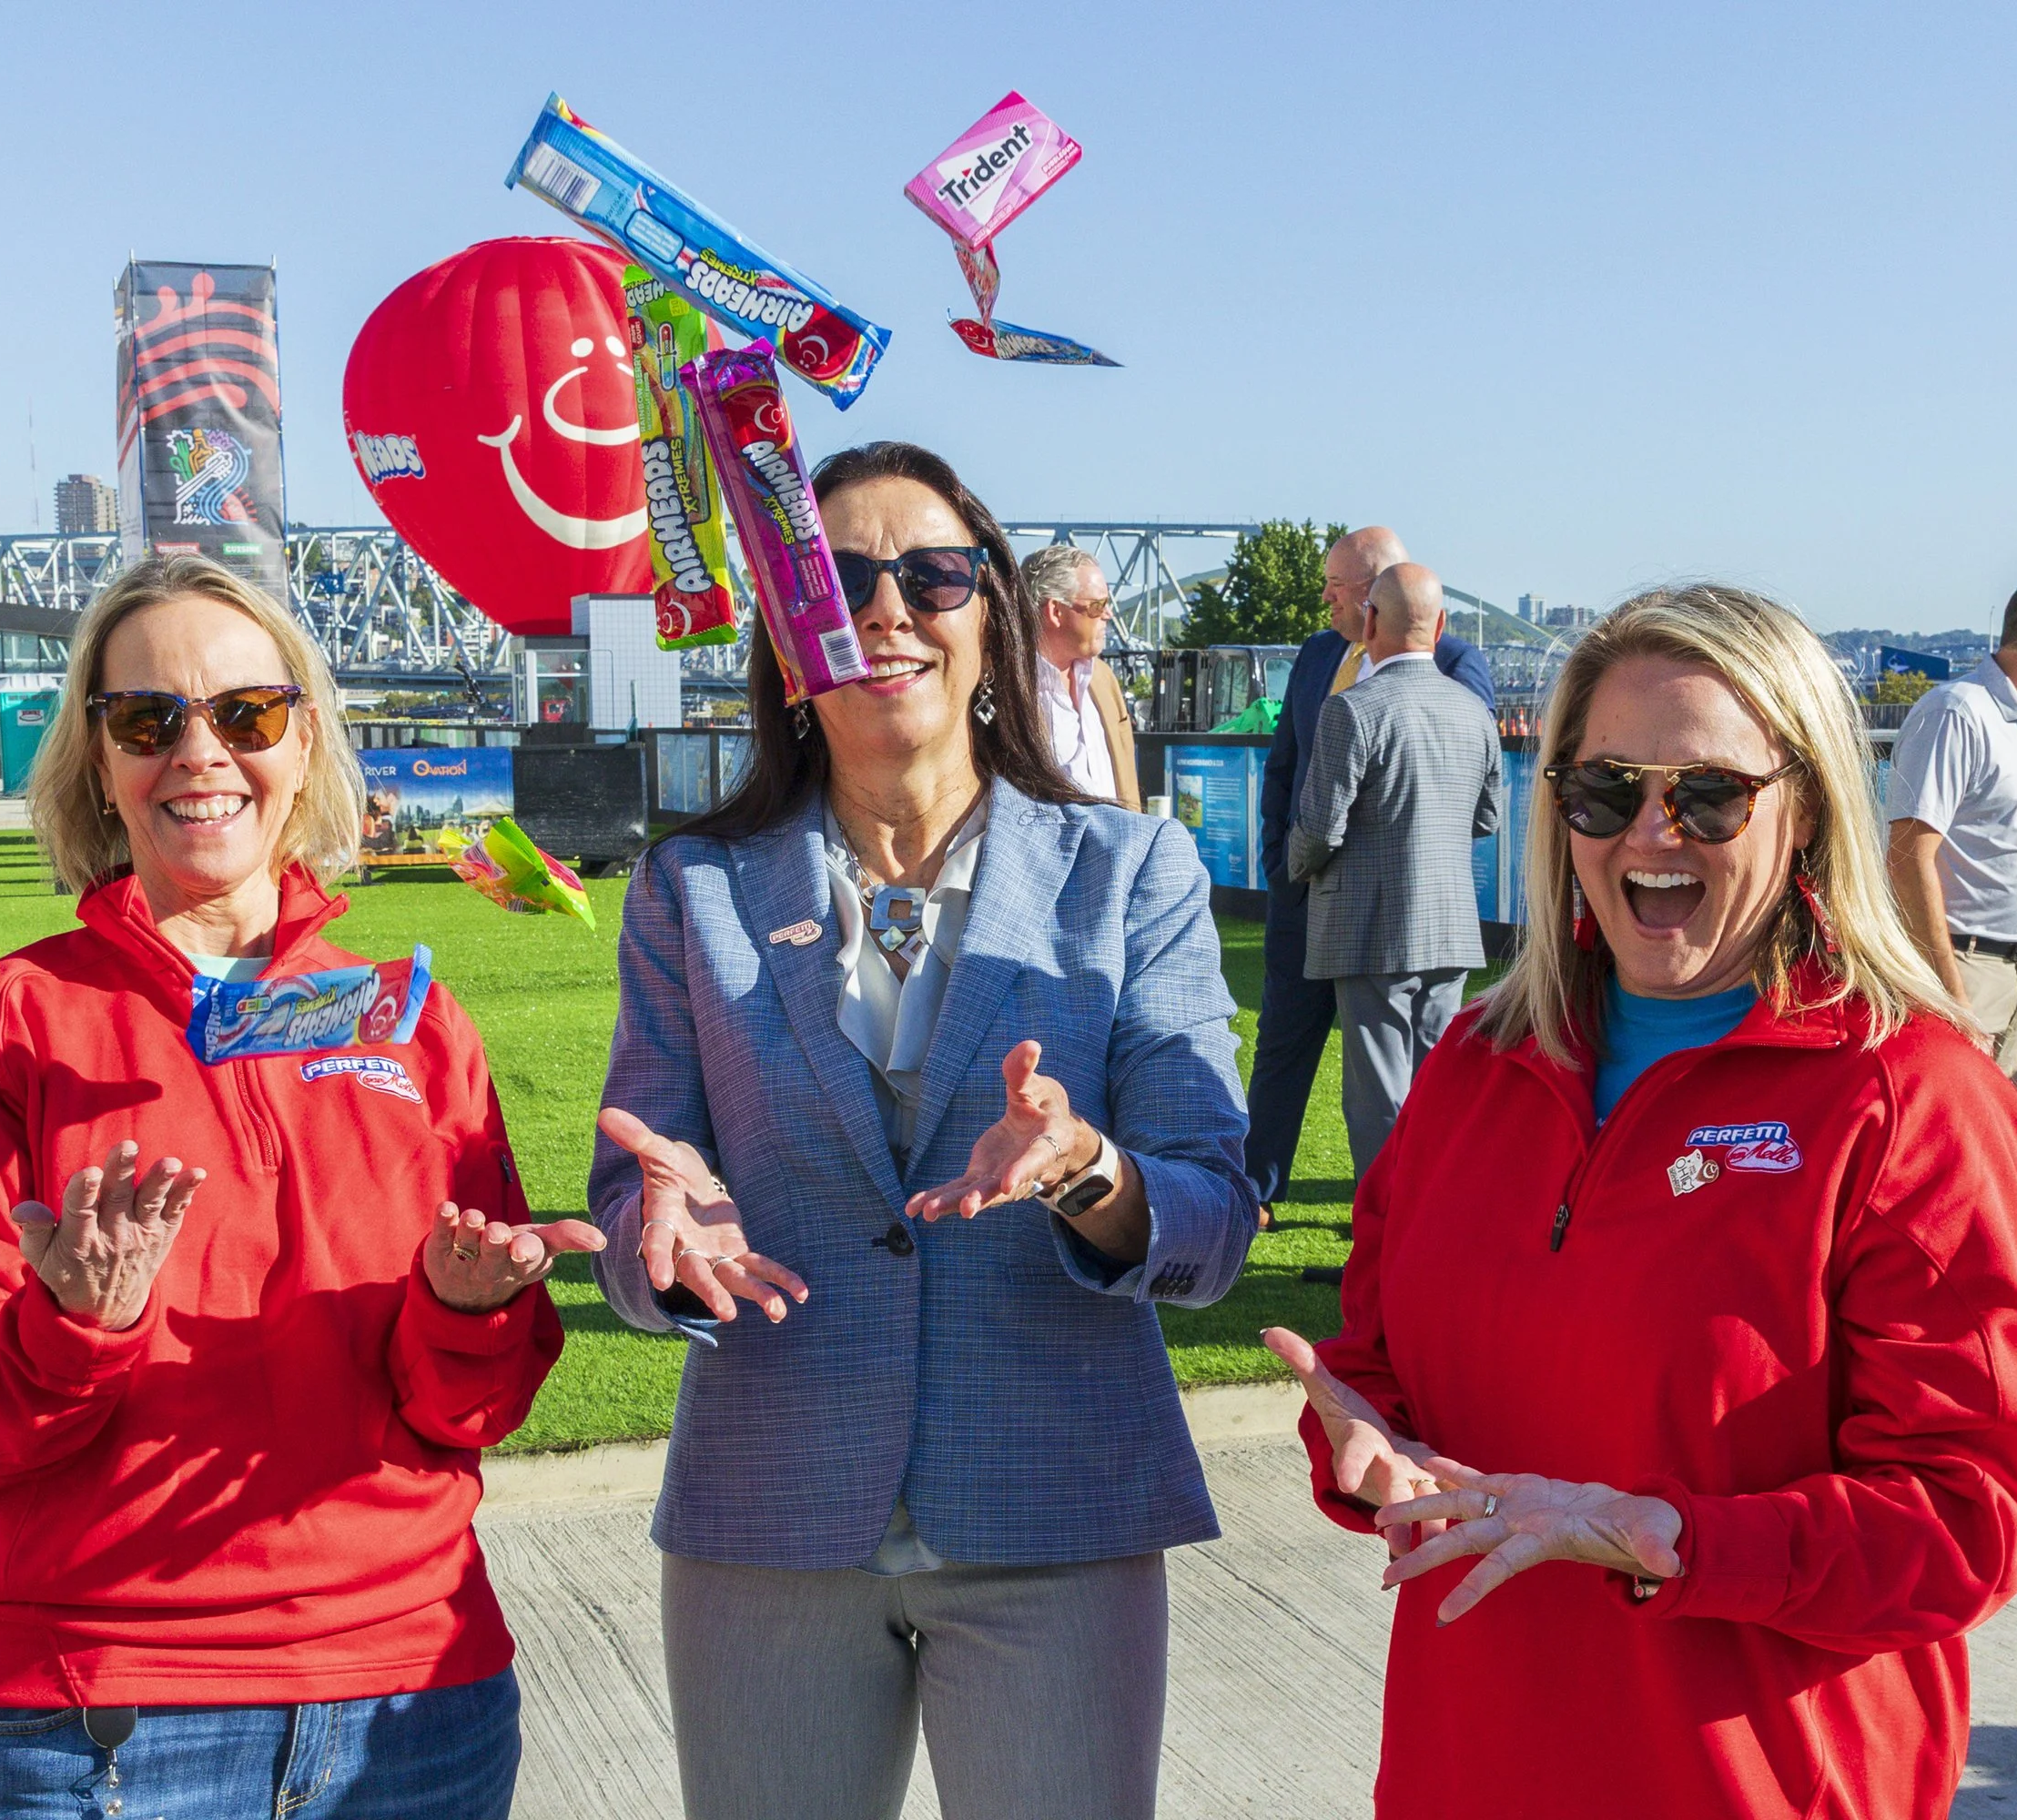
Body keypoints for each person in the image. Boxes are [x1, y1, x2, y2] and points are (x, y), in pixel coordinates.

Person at [1265, 584, 2017, 1819]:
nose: (1652, 836)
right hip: (1466, 1768)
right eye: (1605, 791)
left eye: (1706, 796)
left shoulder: (1911, 1100)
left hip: (1765, 1786)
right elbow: (1379, 1356)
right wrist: (1359, 1439)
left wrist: (1678, 1540)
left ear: (1802, 808)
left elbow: (1977, 1513)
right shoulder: (1473, 1073)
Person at [0, 554, 600, 1819]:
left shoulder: (411, 1024)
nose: (200, 753)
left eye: (245, 714)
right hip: (95, 1716)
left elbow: (467, 1411)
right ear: (98, 760)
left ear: (303, 742)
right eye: (148, 721)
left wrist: (466, 1309)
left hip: (412, 1700)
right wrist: (74, 1323)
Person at [586, 440, 1258, 1820]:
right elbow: (627, 1200)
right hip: (771, 1519)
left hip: (1055, 1514)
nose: (888, 608)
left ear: (993, 625)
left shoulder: (1134, 875)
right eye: (837, 579)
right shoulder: (690, 891)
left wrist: (1090, 1175)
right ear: (786, 638)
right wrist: (661, 1252)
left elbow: (1214, 1223)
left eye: (934, 574)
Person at [1245, 524, 1491, 1215]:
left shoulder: (1456, 666)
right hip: (1308, 902)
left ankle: (1402, 1224)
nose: (1325, 599)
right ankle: (1257, 1192)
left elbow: (1459, 796)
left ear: (1377, 594)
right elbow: (1284, 770)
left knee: (1391, 1083)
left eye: (1336, 587)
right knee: (1284, 1046)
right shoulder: (1321, 654)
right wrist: (1283, 870)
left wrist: (1316, 853)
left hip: (1392, 916)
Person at [1289, 563, 1501, 1171]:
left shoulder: (1352, 710)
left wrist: (1296, 865)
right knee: (1437, 1089)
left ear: (1371, 620)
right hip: (1450, 928)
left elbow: (1321, 828)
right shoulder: (1474, 713)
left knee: (1378, 1098)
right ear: (1439, 626)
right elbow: (1484, 819)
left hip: (1368, 927)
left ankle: (1386, 1244)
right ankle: (1434, 1232)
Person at [1886, 565, 2017, 1107]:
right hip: (1965, 972)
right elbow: (1908, 858)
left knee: (2011, 1158)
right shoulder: (1955, 713)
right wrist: (1951, 996)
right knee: (1957, 1156)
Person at [1021, 541, 1140, 807]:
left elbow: (1125, 780)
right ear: (1056, 611)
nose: (1108, 615)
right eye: (1097, 606)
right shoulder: (1006, 687)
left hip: (1118, 845)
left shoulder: (1103, 679)